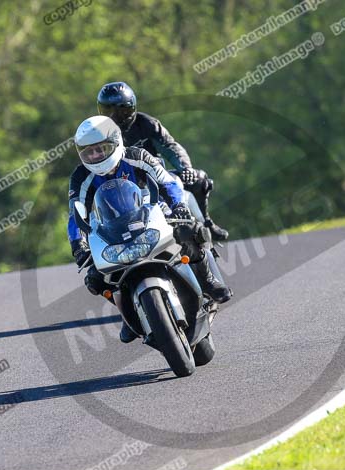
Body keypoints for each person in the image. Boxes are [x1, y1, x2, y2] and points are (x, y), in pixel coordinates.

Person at [67, 116, 232, 343]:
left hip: (152, 210)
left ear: (115, 143)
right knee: (95, 278)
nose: (95, 156)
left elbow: (168, 182)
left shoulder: (137, 156)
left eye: (100, 149)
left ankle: (209, 281)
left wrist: (180, 208)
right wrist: (78, 245)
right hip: (110, 227)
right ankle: (128, 315)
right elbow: (75, 214)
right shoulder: (80, 177)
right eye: (89, 152)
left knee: (190, 232)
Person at [96, 81, 230, 242]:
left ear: (132, 107)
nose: (115, 118)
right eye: (108, 112)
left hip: (155, 179)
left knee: (198, 179)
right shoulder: (99, 134)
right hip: (121, 190)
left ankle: (207, 224)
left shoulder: (147, 124)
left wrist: (185, 168)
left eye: (121, 111)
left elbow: (170, 146)